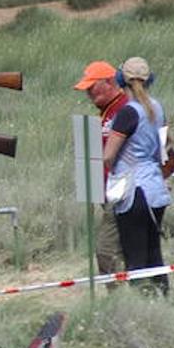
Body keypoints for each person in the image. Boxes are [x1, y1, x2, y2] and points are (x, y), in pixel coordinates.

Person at [101, 57, 172, 293]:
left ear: (121, 80)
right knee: (155, 255)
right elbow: (165, 147)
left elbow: (108, 156)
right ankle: (163, 299)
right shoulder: (158, 108)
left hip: (134, 192)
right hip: (156, 189)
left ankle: (140, 305)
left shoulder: (127, 113)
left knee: (136, 259)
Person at [72, 60, 129, 274]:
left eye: (92, 87)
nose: (88, 93)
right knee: (119, 251)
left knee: (106, 250)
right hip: (109, 193)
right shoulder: (107, 111)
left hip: (123, 192)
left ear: (109, 82)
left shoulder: (124, 108)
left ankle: (117, 297)